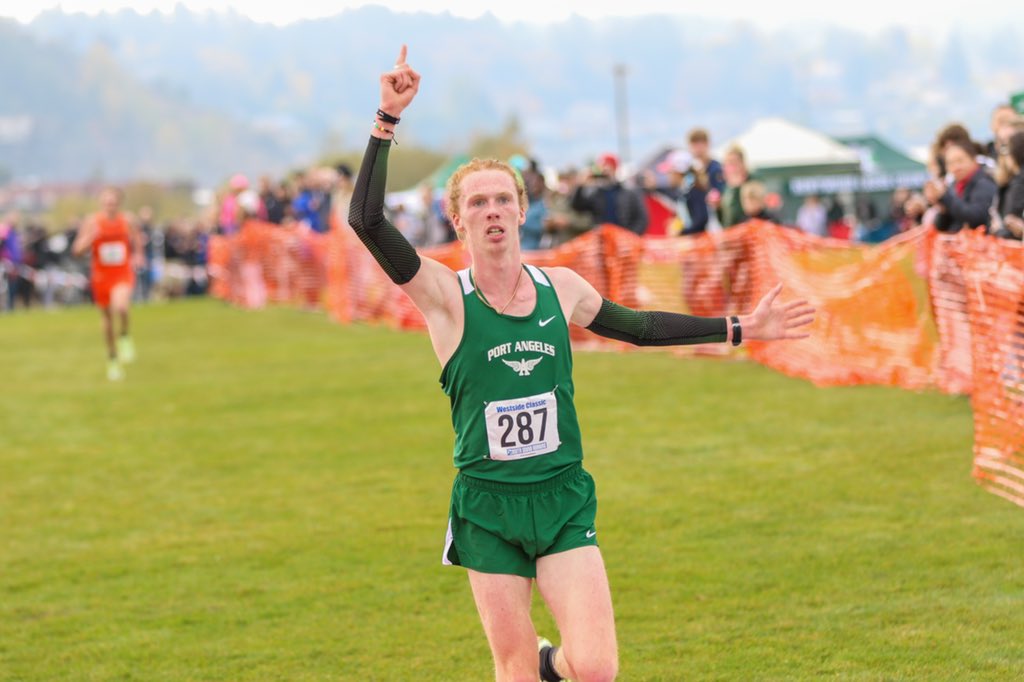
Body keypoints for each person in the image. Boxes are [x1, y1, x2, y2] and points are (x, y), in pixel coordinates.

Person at [347, 46, 816, 682]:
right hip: (489, 504)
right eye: (478, 203)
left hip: (563, 496)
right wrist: (386, 119)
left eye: (502, 200)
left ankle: (550, 665)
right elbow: (368, 219)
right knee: (511, 671)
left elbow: (640, 327)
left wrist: (739, 328)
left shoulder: (559, 288)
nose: (492, 212)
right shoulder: (442, 297)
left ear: (521, 210)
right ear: (458, 221)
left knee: (593, 669)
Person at [72, 187, 140, 381]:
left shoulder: (127, 220)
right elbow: (77, 250)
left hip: (122, 273)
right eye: (106, 202)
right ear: (101, 203)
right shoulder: (93, 222)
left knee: (121, 306)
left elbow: (137, 239)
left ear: (119, 203)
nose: (110, 205)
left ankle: (125, 335)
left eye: (113, 202)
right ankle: (112, 357)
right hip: (102, 276)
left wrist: (139, 255)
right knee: (107, 319)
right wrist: (90, 238)